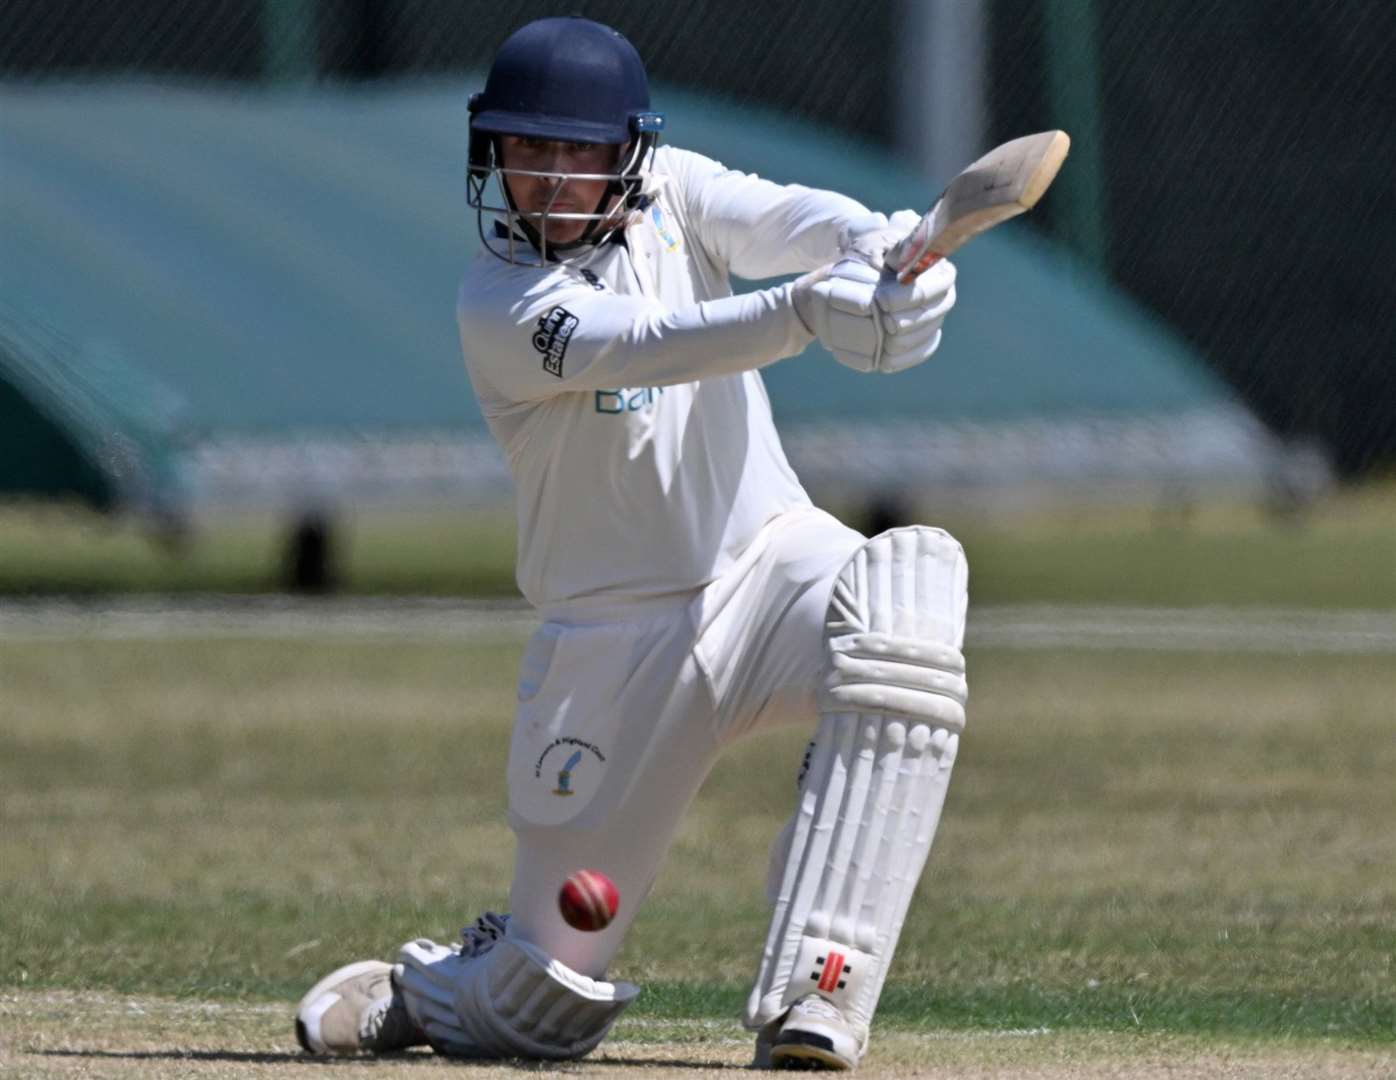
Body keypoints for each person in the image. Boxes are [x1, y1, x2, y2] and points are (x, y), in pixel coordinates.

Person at [295, 15, 968, 1071]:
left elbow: (793, 218)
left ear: (628, 154)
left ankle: (818, 995)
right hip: (611, 643)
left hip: (768, 567)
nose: (552, 179)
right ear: (491, 155)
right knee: (538, 1011)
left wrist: (887, 254)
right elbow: (651, 345)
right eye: (528, 151)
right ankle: (434, 990)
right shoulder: (502, 304)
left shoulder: (673, 193)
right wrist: (808, 312)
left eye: (577, 153)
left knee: (908, 588)